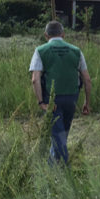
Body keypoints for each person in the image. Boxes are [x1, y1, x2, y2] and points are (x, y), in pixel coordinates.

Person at [29, 20, 91, 165]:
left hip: (52, 100)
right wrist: (87, 103)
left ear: (46, 35)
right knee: (61, 135)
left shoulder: (40, 51)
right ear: (63, 34)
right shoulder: (76, 51)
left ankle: (63, 171)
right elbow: (87, 80)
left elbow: (35, 79)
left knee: (58, 136)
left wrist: (41, 102)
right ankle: (53, 166)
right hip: (72, 98)